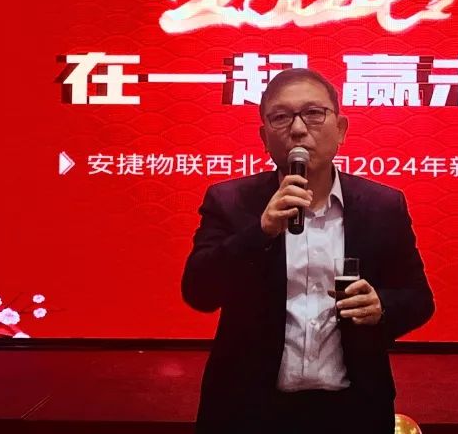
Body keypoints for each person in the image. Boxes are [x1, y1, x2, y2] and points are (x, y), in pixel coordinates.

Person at [182, 68, 435, 434]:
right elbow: (198, 291)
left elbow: (419, 299)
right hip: (248, 410)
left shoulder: (382, 206)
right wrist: (261, 231)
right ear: (264, 137)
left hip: (351, 411)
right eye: (281, 117)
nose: (298, 129)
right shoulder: (230, 201)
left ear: (341, 129)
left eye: (314, 113)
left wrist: (382, 307)